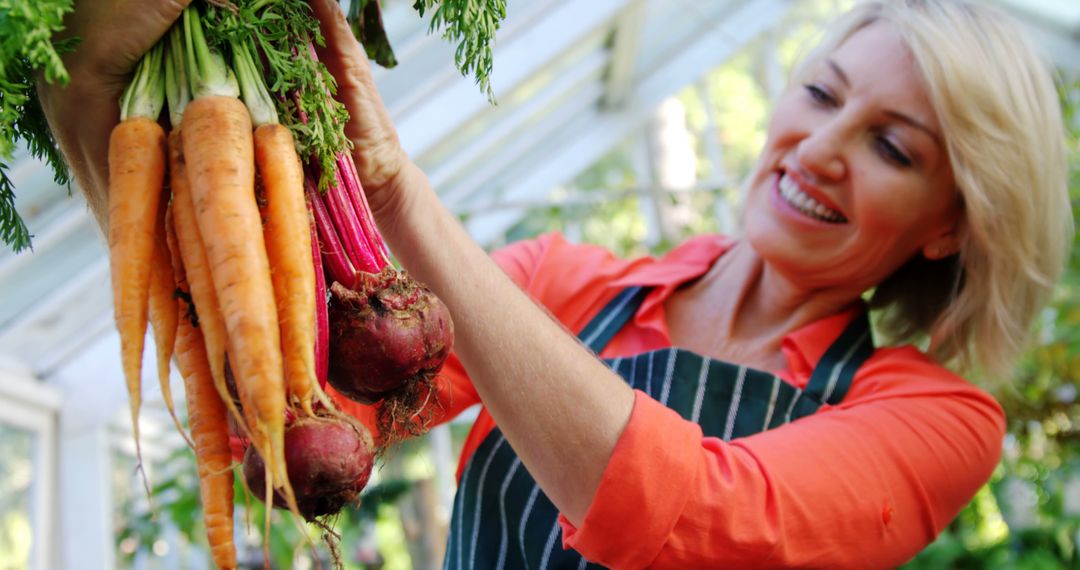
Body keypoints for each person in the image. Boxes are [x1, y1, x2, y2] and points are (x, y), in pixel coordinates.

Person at [39, 0, 1073, 567]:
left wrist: (398, 191)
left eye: (892, 146)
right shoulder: (566, 284)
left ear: (952, 223)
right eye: (819, 93)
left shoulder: (935, 417)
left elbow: (698, 527)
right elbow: (292, 429)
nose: (822, 149)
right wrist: (111, 129)